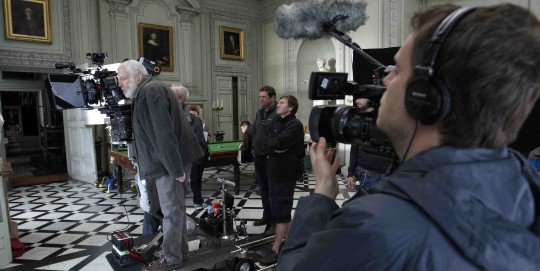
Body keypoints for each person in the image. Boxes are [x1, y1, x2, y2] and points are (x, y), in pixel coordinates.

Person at [278, 4, 540, 270]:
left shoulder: (373, 227)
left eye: (397, 70)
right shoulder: (526, 185)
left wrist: (322, 195)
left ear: (425, 97)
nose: (385, 81)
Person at [117, 60, 203, 270]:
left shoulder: (150, 92)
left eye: (123, 78)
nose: (119, 83)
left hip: (170, 164)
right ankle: (180, 254)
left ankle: (171, 259)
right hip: (169, 162)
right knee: (175, 211)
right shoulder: (148, 90)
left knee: (171, 212)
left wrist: (176, 169)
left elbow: (164, 136)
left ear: (138, 77)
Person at [259, 95, 304, 266]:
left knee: (281, 210)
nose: (278, 104)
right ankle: (293, 243)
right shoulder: (277, 121)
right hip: (274, 169)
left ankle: (275, 249)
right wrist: (276, 147)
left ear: (291, 108)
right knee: (277, 206)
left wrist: (276, 146)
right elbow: (266, 141)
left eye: (282, 103)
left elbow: (276, 142)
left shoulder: (295, 125)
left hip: (286, 172)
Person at [171, 84, 209, 210]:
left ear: (181, 99)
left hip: (189, 159)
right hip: (170, 160)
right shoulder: (165, 115)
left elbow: (200, 142)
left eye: (171, 95)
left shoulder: (193, 120)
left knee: (193, 181)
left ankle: (197, 200)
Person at [346, 98, 394, 194]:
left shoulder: (388, 120)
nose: (356, 101)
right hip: (364, 176)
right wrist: (350, 174)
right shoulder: (358, 122)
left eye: (360, 98)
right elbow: (354, 150)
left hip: (385, 176)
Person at [251, 86, 277, 235]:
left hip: (270, 158)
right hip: (259, 156)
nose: (261, 99)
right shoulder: (260, 112)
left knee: (272, 191)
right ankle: (266, 216)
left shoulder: (278, 112)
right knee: (263, 190)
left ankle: (273, 222)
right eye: (260, 97)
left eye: (264, 97)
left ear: (272, 97)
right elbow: (255, 130)